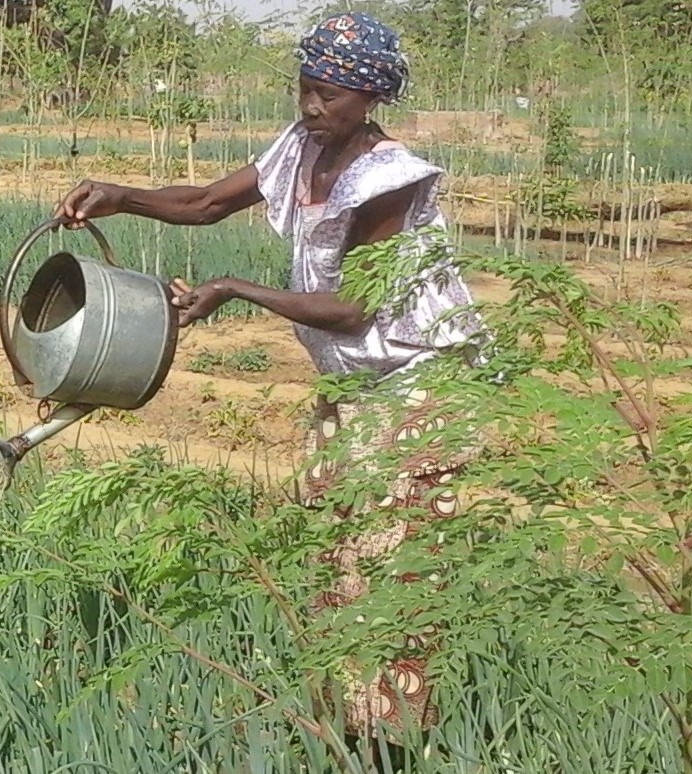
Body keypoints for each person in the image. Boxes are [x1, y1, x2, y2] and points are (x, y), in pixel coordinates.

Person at [51, 11, 489, 741]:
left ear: (370, 98)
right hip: (354, 385)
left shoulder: (388, 179)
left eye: (329, 95)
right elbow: (207, 203)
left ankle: (394, 741)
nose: (312, 106)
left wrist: (235, 289)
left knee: (394, 566)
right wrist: (120, 195)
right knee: (333, 547)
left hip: (418, 385)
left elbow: (353, 308)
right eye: (305, 88)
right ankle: (344, 727)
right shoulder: (301, 146)